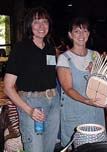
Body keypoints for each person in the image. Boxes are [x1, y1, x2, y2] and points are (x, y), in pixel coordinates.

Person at [4, 7, 60, 152]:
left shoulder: (50, 48)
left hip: (53, 103)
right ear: (29, 25)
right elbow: (8, 87)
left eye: (45, 21)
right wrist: (29, 110)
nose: (41, 26)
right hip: (31, 104)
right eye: (36, 22)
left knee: (49, 148)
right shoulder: (20, 48)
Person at [56, 17, 105, 147]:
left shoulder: (95, 56)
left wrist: (95, 73)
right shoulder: (64, 58)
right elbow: (68, 88)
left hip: (96, 112)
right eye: (77, 31)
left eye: (84, 31)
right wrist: (86, 101)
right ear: (70, 35)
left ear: (88, 34)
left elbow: (105, 85)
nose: (81, 35)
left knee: (97, 147)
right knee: (76, 147)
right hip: (74, 113)